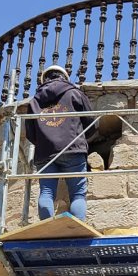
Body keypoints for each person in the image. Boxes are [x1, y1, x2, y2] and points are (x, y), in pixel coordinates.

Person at [25, 65, 95, 221]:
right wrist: (82, 138)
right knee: (77, 194)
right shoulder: (74, 93)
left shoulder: (34, 102)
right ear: (64, 77)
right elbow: (91, 123)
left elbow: (30, 134)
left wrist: (45, 142)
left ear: (44, 79)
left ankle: (46, 225)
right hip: (73, 149)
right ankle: (77, 226)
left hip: (45, 154)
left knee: (46, 192)